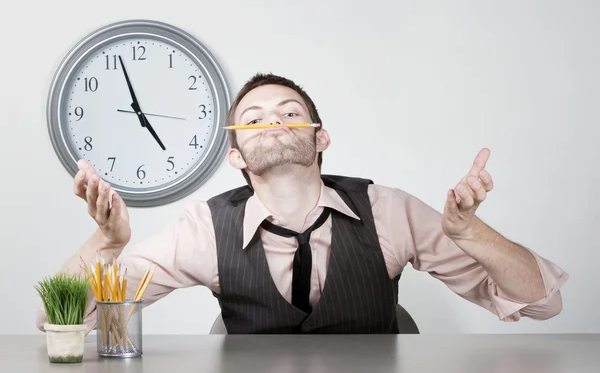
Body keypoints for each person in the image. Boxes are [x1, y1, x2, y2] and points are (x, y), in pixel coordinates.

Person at [36, 73, 568, 334]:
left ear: (321, 139)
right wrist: (106, 242)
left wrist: (472, 233)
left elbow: (543, 304)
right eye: (255, 117)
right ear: (236, 155)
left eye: (290, 112)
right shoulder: (204, 229)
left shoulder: (388, 211)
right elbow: (59, 322)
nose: (272, 120)